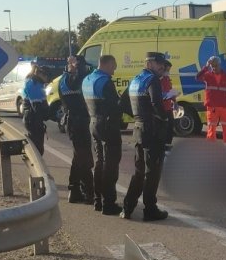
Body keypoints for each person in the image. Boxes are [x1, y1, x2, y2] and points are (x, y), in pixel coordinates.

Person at [123, 52, 170, 221]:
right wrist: (164, 118)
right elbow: (157, 104)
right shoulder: (152, 80)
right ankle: (150, 210)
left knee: (139, 171)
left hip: (138, 130)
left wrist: (138, 117)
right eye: (159, 64)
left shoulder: (135, 80)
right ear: (149, 63)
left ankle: (127, 207)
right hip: (152, 132)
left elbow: (123, 103)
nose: (162, 67)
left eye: (163, 65)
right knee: (152, 172)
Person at [83, 55, 124, 216]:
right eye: (113, 66)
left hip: (93, 123)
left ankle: (98, 200)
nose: (114, 71)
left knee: (100, 162)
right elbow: (114, 107)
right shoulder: (105, 81)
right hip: (108, 125)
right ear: (107, 65)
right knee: (111, 164)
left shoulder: (87, 80)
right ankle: (109, 203)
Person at [57, 55, 94, 204]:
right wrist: (77, 67)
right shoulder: (71, 80)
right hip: (77, 122)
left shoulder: (65, 79)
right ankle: (80, 191)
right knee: (82, 158)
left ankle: (80, 191)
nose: (85, 68)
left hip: (76, 122)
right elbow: (77, 83)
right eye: (82, 66)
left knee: (81, 157)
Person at [196, 52, 226, 150]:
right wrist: (206, 66)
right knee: (211, 128)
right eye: (212, 66)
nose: (214, 68)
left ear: (220, 65)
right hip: (212, 107)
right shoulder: (207, 75)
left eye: (215, 65)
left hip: (225, 107)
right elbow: (197, 77)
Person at [21, 64, 50, 155]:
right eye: (47, 77)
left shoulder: (37, 83)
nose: (48, 80)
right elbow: (37, 107)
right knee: (37, 150)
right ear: (41, 75)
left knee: (37, 148)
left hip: (33, 119)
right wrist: (47, 114)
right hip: (33, 119)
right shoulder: (34, 84)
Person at [160, 58, 179, 151]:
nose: (168, 72)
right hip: (161, 108)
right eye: (167, 70)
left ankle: (167, 145)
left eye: (169, 70)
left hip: (168, 107)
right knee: (164, 129)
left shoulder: (167, 78)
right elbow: (160, 94)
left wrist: (175, 102)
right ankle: (163, 146)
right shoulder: (158, 79)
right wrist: (169, 94)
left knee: (170, 127)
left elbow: (170, 90)